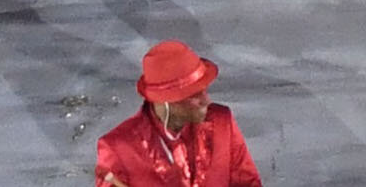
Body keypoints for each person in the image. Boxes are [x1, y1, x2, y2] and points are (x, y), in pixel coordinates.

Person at [95, 43, 259, 187]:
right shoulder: (119, 147)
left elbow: (247, 182)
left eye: (204, 90)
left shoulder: (222, 122)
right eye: (195, 95)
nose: (206, 101)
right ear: (166, 101)